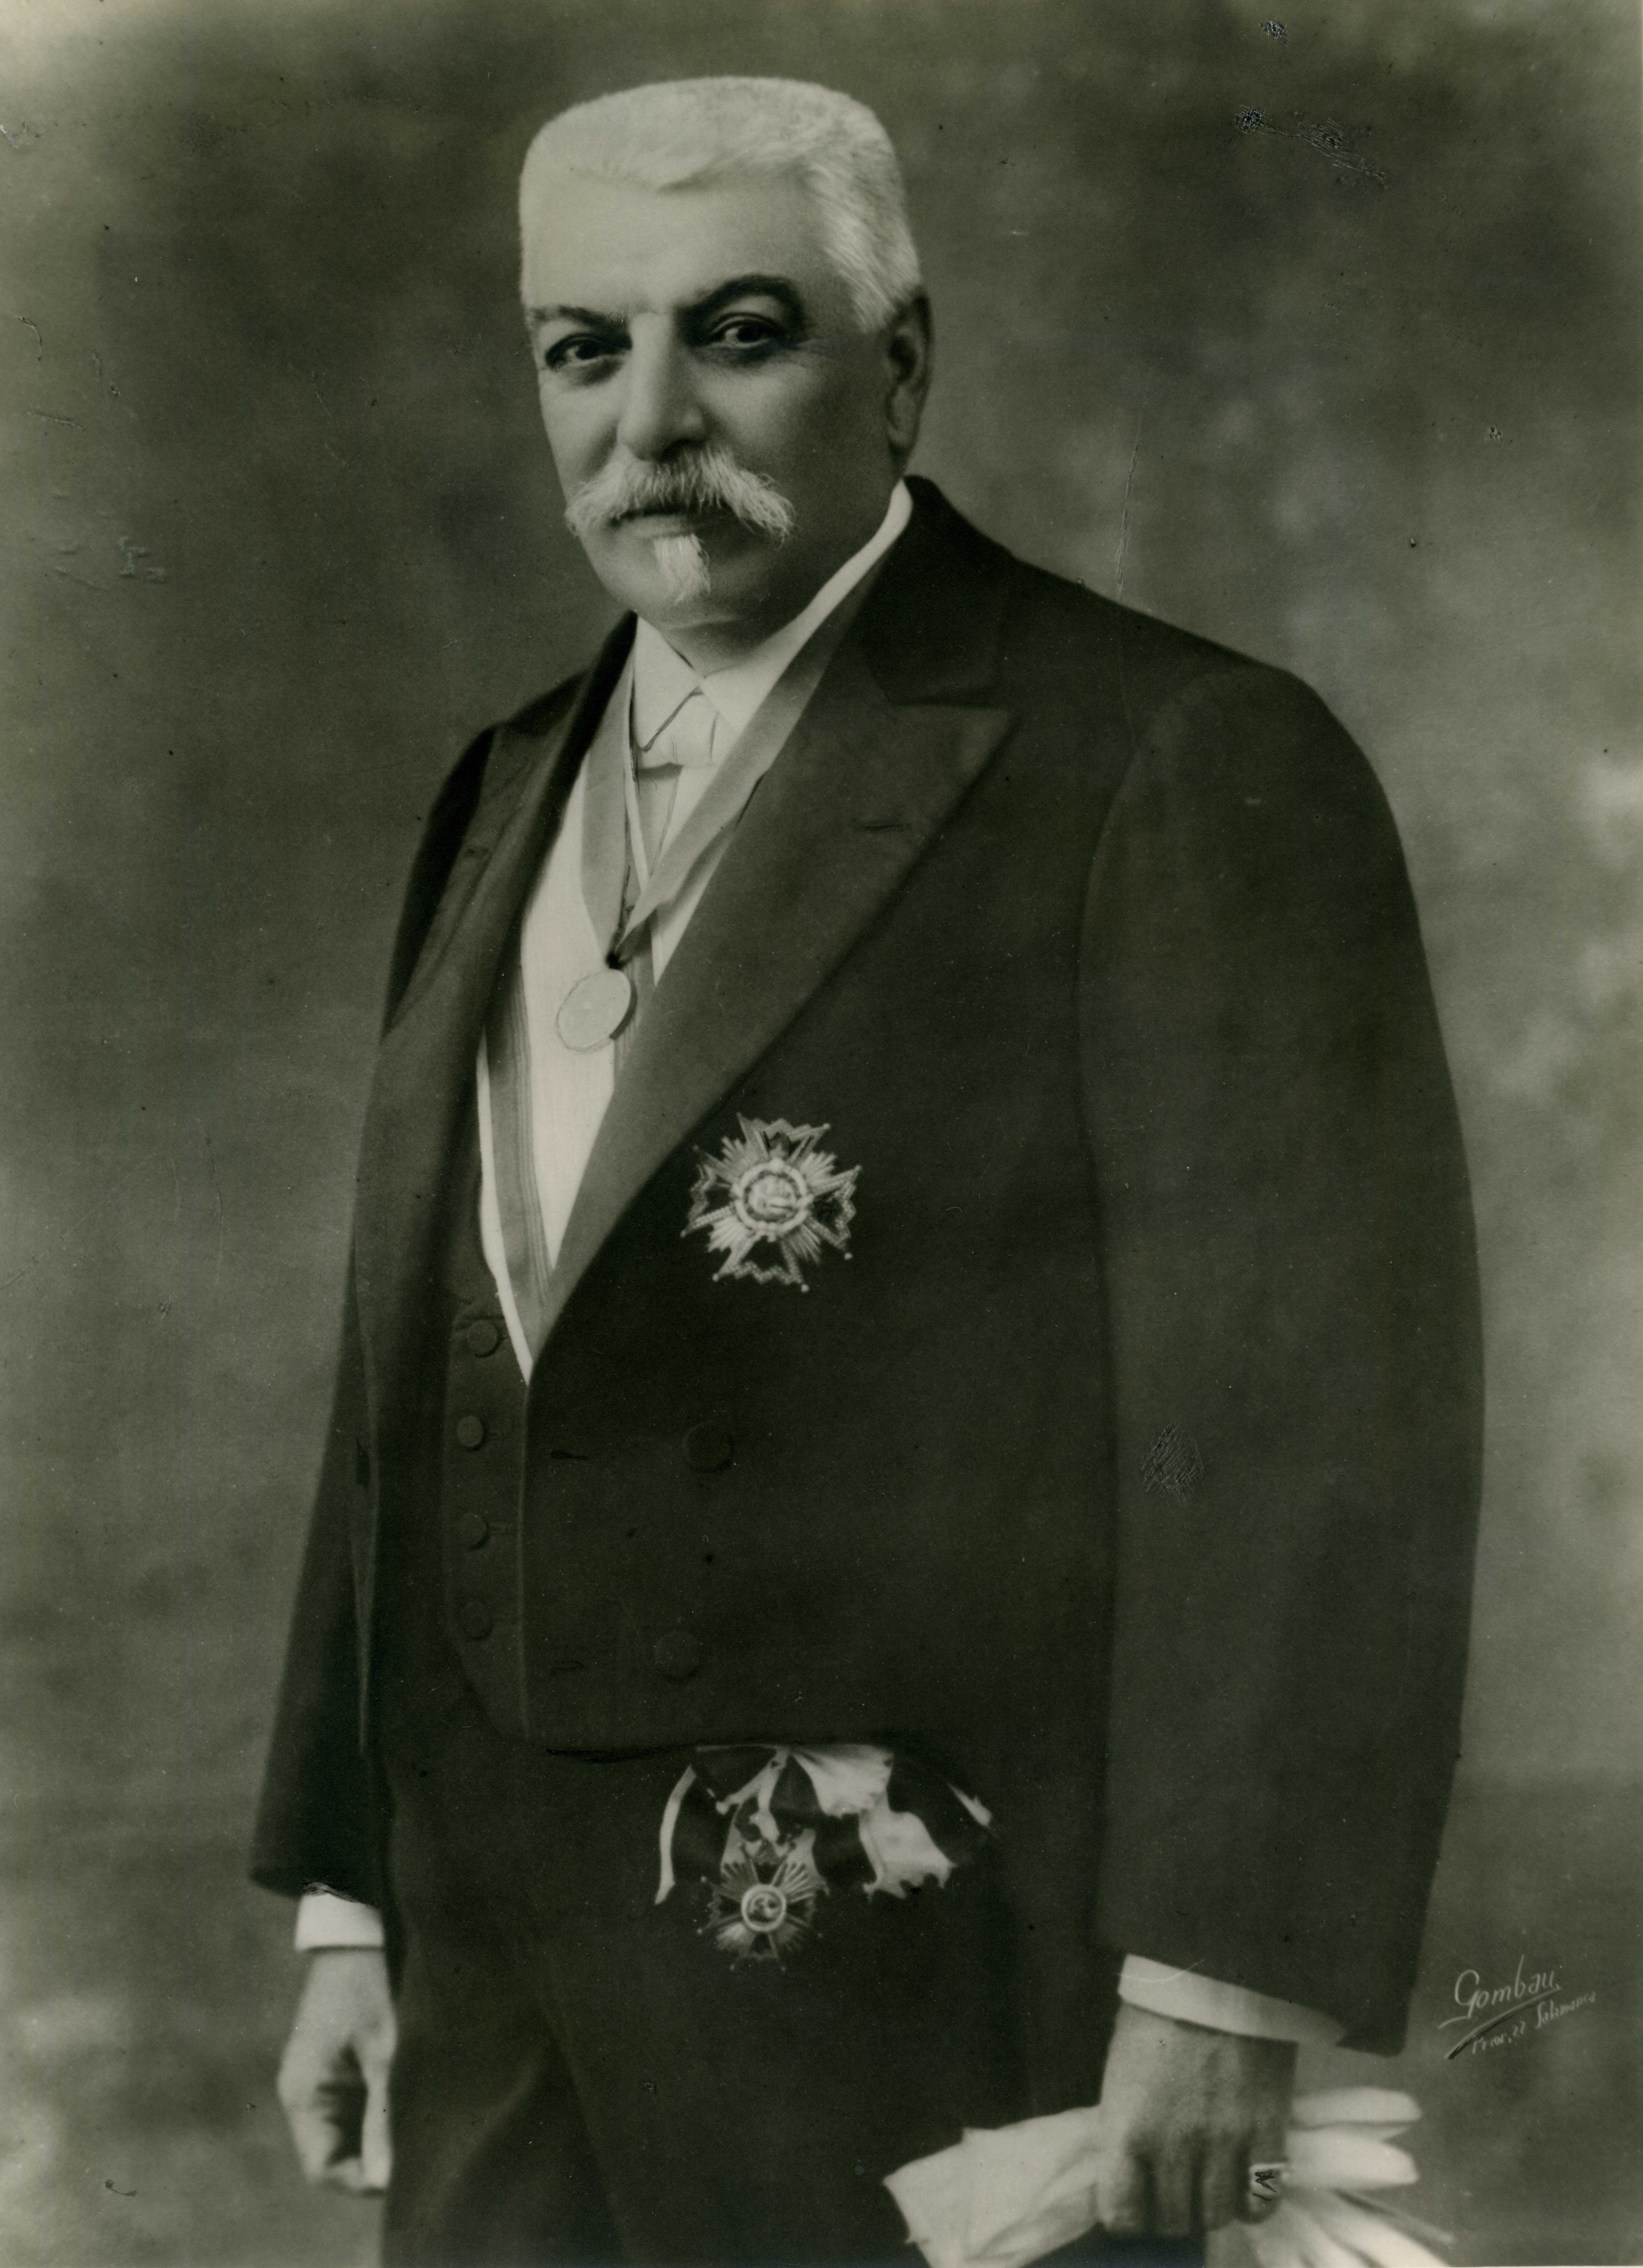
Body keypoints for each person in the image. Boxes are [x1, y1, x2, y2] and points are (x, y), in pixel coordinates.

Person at [250, 76, 1482, 2268]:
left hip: (929, 1970)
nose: (648, 424)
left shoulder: (1165, 755)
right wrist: (351, 1896)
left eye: (736, 336)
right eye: (581, 349)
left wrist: (1218, 1983)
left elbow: (1317, 1427)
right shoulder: (500, 783)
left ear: (898, 365)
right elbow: (409, 1371)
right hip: (490, 1962)